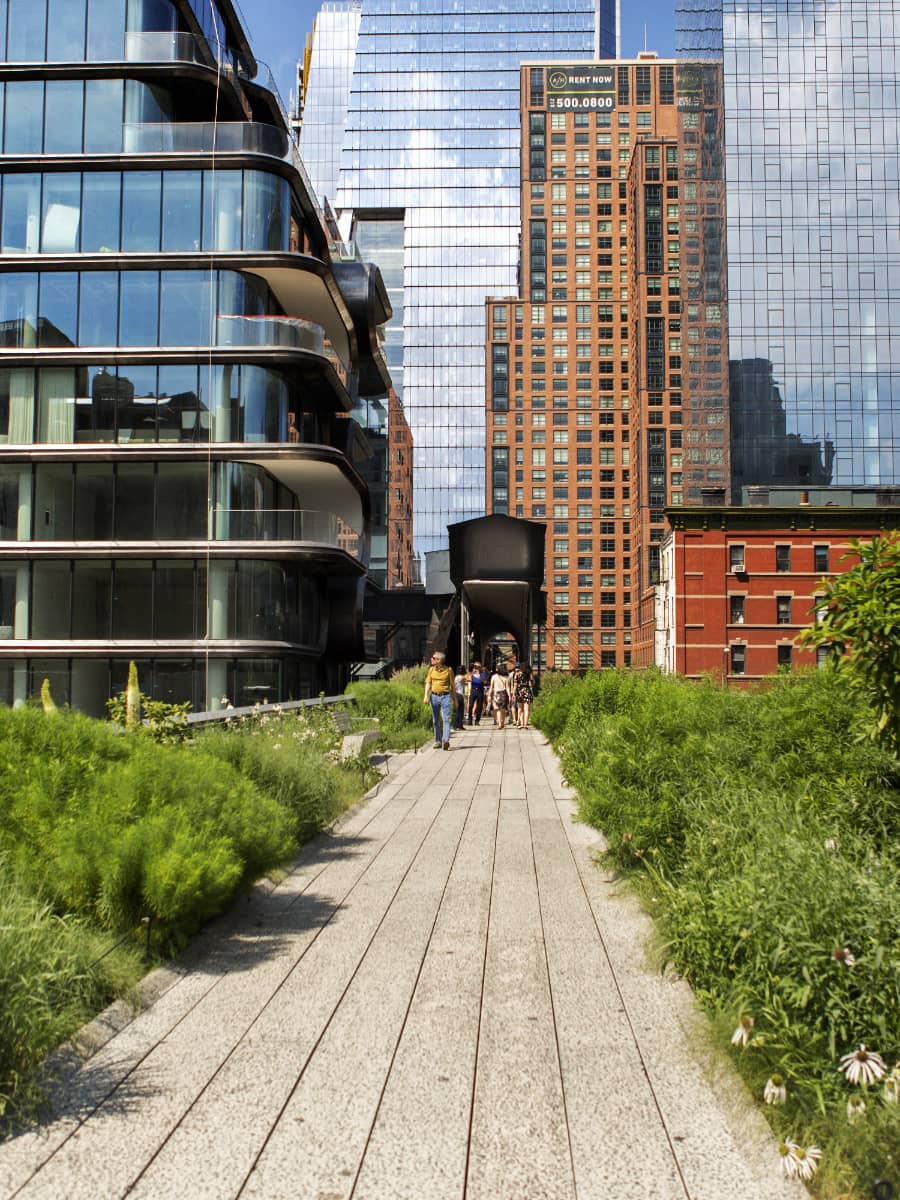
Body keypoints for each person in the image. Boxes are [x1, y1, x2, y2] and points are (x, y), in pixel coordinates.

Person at [423, 650, 454, 749]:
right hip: (434, 697)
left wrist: (455, 699)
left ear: (439, 660)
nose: (431, 659)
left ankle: (445, 740)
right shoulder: (431, 670)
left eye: (433, 658)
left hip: (445, 696)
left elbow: (453, 686)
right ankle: (437, 741)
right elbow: (428, 682)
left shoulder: (449, 670)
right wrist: (426, 695)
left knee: (446, 719)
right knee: (435, 720)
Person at [487, 664, 509, 729]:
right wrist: (509, 695)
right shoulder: (505, 678)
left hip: (496, 694)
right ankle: (502, 722)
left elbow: (491, 687)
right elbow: (507, 688)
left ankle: (499, 723)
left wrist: (489, 695)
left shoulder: (493, 677)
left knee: (498, 710)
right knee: (503, 710)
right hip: (504, 694)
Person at [514, 662, 534, 728]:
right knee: (527, 709)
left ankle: (521, 724)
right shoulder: (529, 675)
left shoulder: (517, 674)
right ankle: (525, 724)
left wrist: (514, 693)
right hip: (527, 692)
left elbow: (515, 685)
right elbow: (530, 685)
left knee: (520, 709)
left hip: (519, 692)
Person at [507, 657, 521, 727]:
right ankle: (517, 720)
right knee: (518, 706)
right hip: (519, 692)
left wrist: (509, 692)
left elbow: (508, 684)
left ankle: (515, 720)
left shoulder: (511, 674)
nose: (517, 669)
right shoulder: (522, 673)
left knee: (514, 706)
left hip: (514, 692)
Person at [453, 666, 467, 730]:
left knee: (458, 710)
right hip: (460, 695)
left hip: (456, 694)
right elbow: (469, 679)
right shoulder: (461, 677)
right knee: (460, 711)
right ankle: (458, 726)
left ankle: (458, 725)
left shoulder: (456, 677)